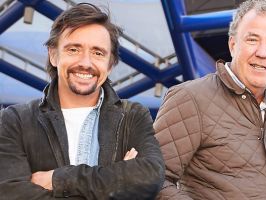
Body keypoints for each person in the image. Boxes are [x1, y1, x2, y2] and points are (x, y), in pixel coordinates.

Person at [0, 3, 164, 200]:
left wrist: (60, 179)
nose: (86, 63)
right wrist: (114, 177)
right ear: (53, 55)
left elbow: (150, 178)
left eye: (98, 53)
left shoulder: (133, 116)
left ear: (110, 64)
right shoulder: (16, 120)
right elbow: (11, 193)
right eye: (73, 49)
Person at [154, 0, 266, 199]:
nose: (262, 53)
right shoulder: (191, 98)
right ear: (232, 45)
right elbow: (153, 178)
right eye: (252, 39)